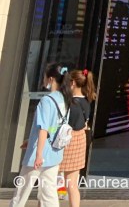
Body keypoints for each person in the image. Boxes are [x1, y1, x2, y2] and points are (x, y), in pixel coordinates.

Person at [10, 63, 73, 207]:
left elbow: (44, 129)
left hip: (38, 156)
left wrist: (38, 154)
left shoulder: (47, 101)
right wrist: (31, 140)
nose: (43, 80)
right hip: (55, 154)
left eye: (44, 77)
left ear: (51, 79)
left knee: (20, 194)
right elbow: (55, 127)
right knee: (49, 195)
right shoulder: (65, 99)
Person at [59, 69, 96, 207]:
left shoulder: (70, 103)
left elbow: (67, 125)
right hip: (80, 140)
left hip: (67, 141)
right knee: (72, 184)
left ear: (73, 83)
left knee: (50, 182)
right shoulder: (86, 100)